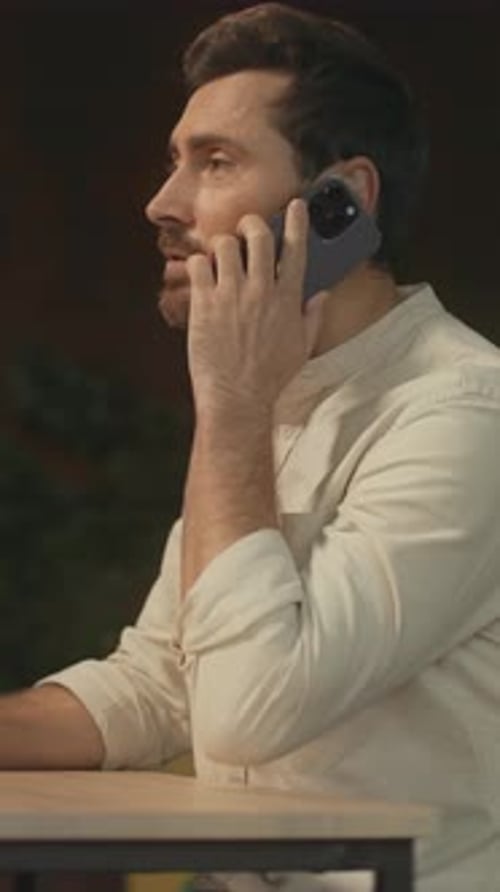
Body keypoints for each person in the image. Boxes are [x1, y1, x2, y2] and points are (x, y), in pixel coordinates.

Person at [1, 4, 499, 890]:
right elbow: (162, 682)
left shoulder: (465, 416)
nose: (162, 204)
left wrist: (230, 405)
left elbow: (245, 711)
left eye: (216, 162)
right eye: (174, 162)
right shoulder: (273, 396)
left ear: (341, 202)